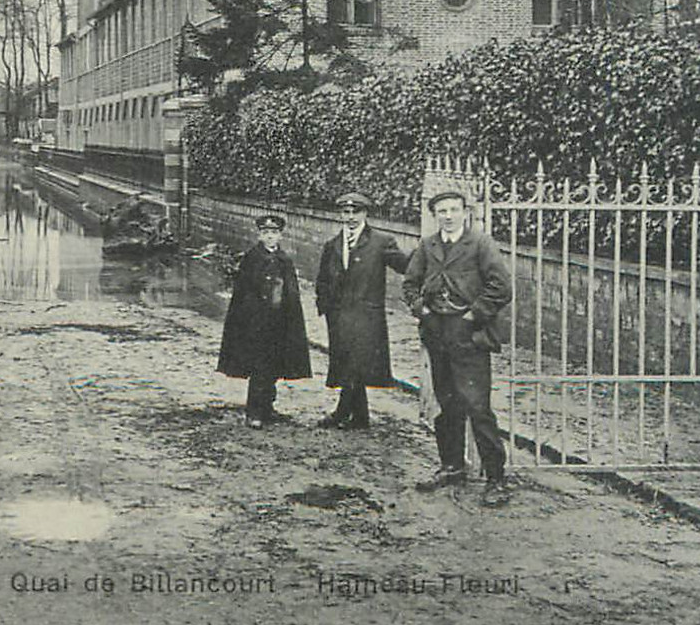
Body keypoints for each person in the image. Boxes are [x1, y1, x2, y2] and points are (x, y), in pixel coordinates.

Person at [404, 189, 514, 506]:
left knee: (477, 407)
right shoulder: (428, 245)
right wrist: (420, 310)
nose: (448, 216)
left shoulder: (480, 243)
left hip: (469, 335)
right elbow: (410, 283)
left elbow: (502, 286)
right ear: (435, 215)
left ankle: (496, 479)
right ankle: (452, 465)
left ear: (465, 212)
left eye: (454, 210)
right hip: (437, 331)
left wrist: (473, 315)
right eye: (442, 211)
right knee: (446, 403)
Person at [314, 191, 411, 430]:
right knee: (347, 363)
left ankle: (345, 412)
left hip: (366, 314)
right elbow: (323, 278)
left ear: (365, 213)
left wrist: (428, 253)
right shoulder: (333, 245)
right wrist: (325, 306)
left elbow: (405, 266)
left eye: (355, 212)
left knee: (356, 364)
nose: (350, 217)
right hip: (338, 315)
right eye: (346, 212)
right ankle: (359, 416)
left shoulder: (380, 242)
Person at [218, 214, 312, 428]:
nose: (270, 237)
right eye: (266, 233)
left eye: (274, 233)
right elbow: (244, 292)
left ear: (280, 235)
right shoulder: (253, 258)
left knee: (274, 365)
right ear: (260, 234)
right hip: (257, 323)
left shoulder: (284, 259)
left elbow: (291, 292)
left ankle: (268, 407)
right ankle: (254, 411)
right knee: (259, 366)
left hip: (279, 322)